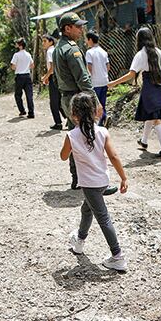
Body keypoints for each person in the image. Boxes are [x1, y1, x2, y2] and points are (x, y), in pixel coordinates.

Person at [61, 92, 128, 272]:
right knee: (86, 209)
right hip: (102, 181)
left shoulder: (72, 136)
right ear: (94, 112)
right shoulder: (103, 132)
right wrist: (123, 177)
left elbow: (63, 156)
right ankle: (79, 242)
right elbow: (113, 156)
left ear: (73, 114)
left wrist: (74, 149)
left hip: (89, 184)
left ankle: (117, 256)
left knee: (103, 218)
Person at [54, 12, 115, 195]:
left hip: (67, 98)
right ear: (67, 28)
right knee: (90, 137)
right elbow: (83, 79)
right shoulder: (72, 50)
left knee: (77, 136)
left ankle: (78, 179)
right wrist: (95, 101)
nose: (81, 30)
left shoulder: (59, 48)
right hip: (78, 99)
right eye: (78, 26)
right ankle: (94, 183)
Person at [108, 27, 161, 158]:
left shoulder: (140, 54)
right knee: (151, 115)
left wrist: (114, 83)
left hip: (149, 89)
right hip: (160, 87)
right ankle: (144, 142)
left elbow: (131, 74)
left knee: (156, 118)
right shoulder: (158, 52)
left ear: (138, 40)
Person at [85, 32, 110, 126]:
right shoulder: (103, 51)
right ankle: (104, 117)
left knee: (95, 103)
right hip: (104, 80)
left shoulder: (89, 52)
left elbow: (89, 67)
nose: (86, 42)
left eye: (86, 40)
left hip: (95, 82)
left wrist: (90, 77)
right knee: (102, 102)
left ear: (90, 40)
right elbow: (108, 66)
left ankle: (98, 122)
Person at [42, 34, 64, 130]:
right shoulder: (55, 50)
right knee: (59, 101)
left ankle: (58, 123)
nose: (43, 43)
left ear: (51, 42)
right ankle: (69, 118)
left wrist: (45, 77)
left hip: (54, 77)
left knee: (54, 102)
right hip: (59, 76)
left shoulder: (50, 51)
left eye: (45, 41)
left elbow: (52, 67)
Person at [10, 38, 35, 118]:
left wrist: (18, 67)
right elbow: (32, 65)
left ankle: (22, 110)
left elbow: (13, 67)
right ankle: (31, 113)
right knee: (29, 95)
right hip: (27, 76)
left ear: (20, 45)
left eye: (17, 44)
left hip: (19, 76)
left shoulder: (16, 55)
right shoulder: (28, 54)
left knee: (18, 95)